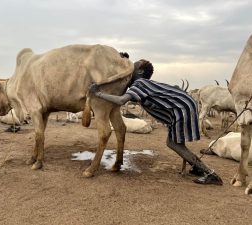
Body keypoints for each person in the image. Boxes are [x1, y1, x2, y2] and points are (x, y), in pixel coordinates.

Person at [89, 58, 223, 185]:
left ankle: (211, 174)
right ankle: (197, 167)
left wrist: (98, 93)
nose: (129, 69)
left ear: (140, 72)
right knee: (178, 143)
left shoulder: (140, 84)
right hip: (181, 107)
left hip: (180, 109)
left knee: (173, 144)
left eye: (133, 67)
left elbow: (121, 100)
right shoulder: (145, 85)